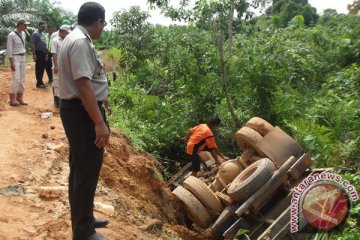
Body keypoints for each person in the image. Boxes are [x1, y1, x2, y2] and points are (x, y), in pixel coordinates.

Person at [58, 2, 110, 240]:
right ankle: (84, 232)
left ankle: (84, 219)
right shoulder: (79, 42)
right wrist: (99, 123)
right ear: (98, 21)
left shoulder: (77, 37)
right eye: (104, 23)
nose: (103, 28)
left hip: (78, 110)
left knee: (80, 168)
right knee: (86, 170)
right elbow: (83, 84)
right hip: (82, 113)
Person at [6, 18, 30, 106]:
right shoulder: (11, 35)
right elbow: (9, 49)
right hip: (15, 58)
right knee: (16, 78)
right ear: (20, 24)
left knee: (22, 78)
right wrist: (11, 62)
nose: (26, 26)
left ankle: (20, 97)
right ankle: (12, 99)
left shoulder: (23, 34)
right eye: (25, 25)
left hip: (22, 57)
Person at [50, 24, 71, 108]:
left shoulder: (67, 40)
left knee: (63, 83)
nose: (68, 34)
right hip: (57, 64)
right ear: (61, 31)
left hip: (65, 65)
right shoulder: (55, 41)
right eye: (66, 32)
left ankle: (62, 99)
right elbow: (54, 54)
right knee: (56, 82)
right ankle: (56, 100)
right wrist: (56, 66)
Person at [31, 21, 48, 88]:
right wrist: (34, 54)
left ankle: (41, 82)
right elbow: (33, 44)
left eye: (44, 27)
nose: (43, 28)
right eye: (42, 27)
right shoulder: (35, 34)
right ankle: (39, 83)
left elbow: (45, 44)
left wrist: (46, 53)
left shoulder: (43, 34)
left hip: (43, 52)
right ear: (38, 26)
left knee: (42, 68)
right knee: (38, 68)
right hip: (38, 52)